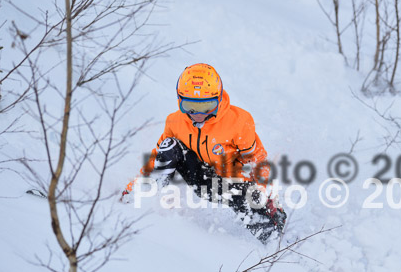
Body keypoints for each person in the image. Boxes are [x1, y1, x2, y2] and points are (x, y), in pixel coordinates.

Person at [121, 63, 286, 243]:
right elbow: (158, 156)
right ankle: (148, 196)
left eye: (207, 106)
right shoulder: (175, 122)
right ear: (179, 100)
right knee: (169, 146)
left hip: (233, 183)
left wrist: (263, 189)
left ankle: (272, 235)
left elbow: (257, 159)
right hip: (201, 177)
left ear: (218, 97)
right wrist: (136, 184)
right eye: (190, 106)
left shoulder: (238, 121)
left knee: (249, 200)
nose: (198, 114)